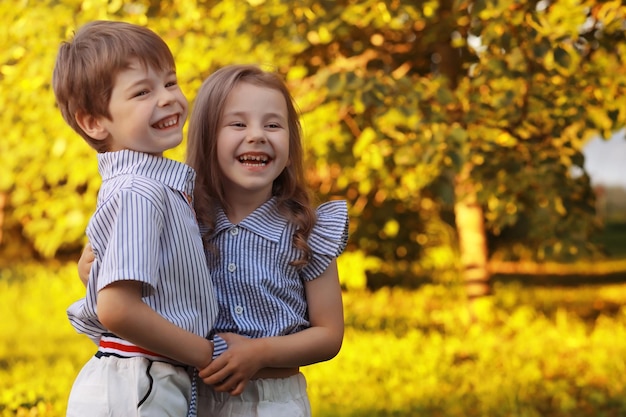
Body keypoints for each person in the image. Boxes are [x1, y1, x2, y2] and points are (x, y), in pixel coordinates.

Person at [53, 20, 218, 417]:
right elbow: (117, 309)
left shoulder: (145, 186)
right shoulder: (140, 192)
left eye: (171, 82)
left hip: (144, 380)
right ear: (94, 121)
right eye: (143, 91)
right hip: (138, 387)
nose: (168, 98)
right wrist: (206, 353)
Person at [187, 64, 349, 417]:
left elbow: (328, 334)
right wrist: (90, 268)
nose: (257, 135)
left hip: (275, 403)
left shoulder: (308, 229)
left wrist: (259, 353)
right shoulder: (184, 222)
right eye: (238, 124)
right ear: (206, 140)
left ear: (289, 146)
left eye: (273, 125)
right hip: (193, 397)